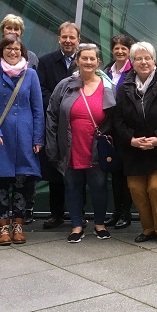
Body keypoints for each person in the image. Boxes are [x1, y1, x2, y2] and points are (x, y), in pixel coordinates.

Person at [114, 42, 157, 246]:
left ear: (154, 61)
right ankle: (148, 228)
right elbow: (117, 119)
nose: (143, 62)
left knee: (156, 187)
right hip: (135, 149)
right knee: (136, 188)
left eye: (147, 58)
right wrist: (131, 139)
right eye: (138, 58)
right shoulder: (125, 85)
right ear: (132, 63)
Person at [0, 34, 44, 245]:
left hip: (25, 136)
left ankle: (18, 226)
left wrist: (38, 138)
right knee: (0, 184)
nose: (13, 52)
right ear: (1, 51)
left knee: (23, 183)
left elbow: (37, 109)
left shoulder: (30, 74)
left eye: (17, 49)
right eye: (8, 48)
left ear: (22, 51)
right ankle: (3, 228)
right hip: (0, 138)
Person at [46, 43, 116, 242]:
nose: (88, 62)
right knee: (72, 187)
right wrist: (52, 144)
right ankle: (76, 225)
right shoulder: (65, 85)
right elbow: (51, 114)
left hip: (96, 147)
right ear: (77, 60)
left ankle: (100, 224)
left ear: (98, 62)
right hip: (70, 146)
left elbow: (115, 116)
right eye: (84, 58)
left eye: (92, 58)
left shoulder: (107, 86)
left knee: (99, 187)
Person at [36, 22, 80, 229]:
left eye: (72, 37)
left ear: (78, 39)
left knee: (78, 170)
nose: (68, 41)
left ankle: (77, 214)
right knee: (55, 170)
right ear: (59, 38)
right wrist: (61, 106)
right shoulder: (46, 62)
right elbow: (41, 90)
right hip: (55, 122)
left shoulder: (85, 61)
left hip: (79, 123)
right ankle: (56, 214)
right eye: (64, 37)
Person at [103, 34, 136, 229]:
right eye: (116, 47)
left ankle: (126, 212)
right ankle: (116, 211)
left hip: (126, 127)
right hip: (110, 128)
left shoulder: (133, 71)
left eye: (124, 48)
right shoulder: (106, 70)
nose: (120, 51)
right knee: (114, 172)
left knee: (126, 172)